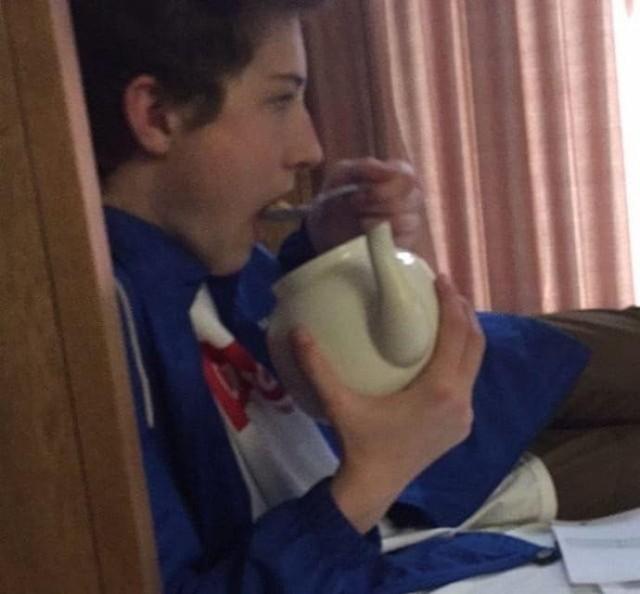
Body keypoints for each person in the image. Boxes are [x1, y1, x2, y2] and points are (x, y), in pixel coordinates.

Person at [69, 1, 639, 592]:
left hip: (464, 406)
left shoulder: (196, 250)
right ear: (157, 115)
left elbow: (265, 356)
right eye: (280, 100)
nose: (310, 149)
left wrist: (325, 247)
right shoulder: (92, 340)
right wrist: (375, 478)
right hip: (411, 481)